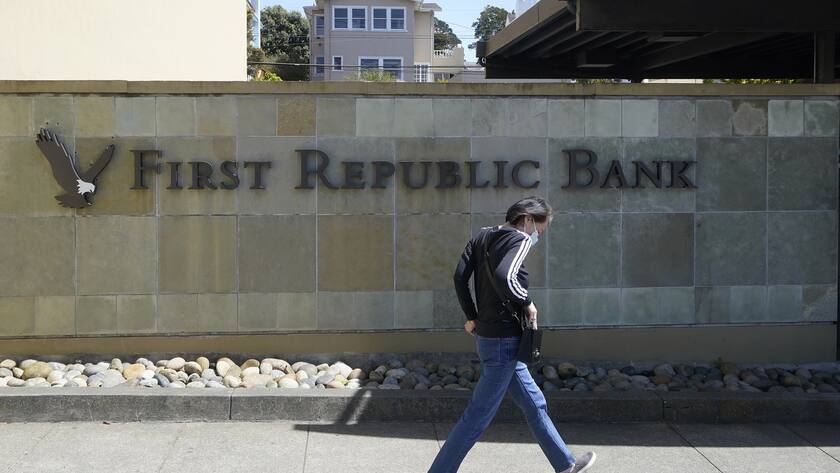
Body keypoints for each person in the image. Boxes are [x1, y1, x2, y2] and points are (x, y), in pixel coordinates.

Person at [428, 197, 597, 473]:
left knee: (534, 403)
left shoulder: (483, 236)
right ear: (528, 219)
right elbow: (506, 276)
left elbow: (460, 277)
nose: (537, 236)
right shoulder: (519, 238)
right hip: (504, 341)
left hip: (491, 338)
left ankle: (565, 464)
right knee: (476, 416)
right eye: (539, 229)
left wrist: (472, 316)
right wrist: (527, 302)